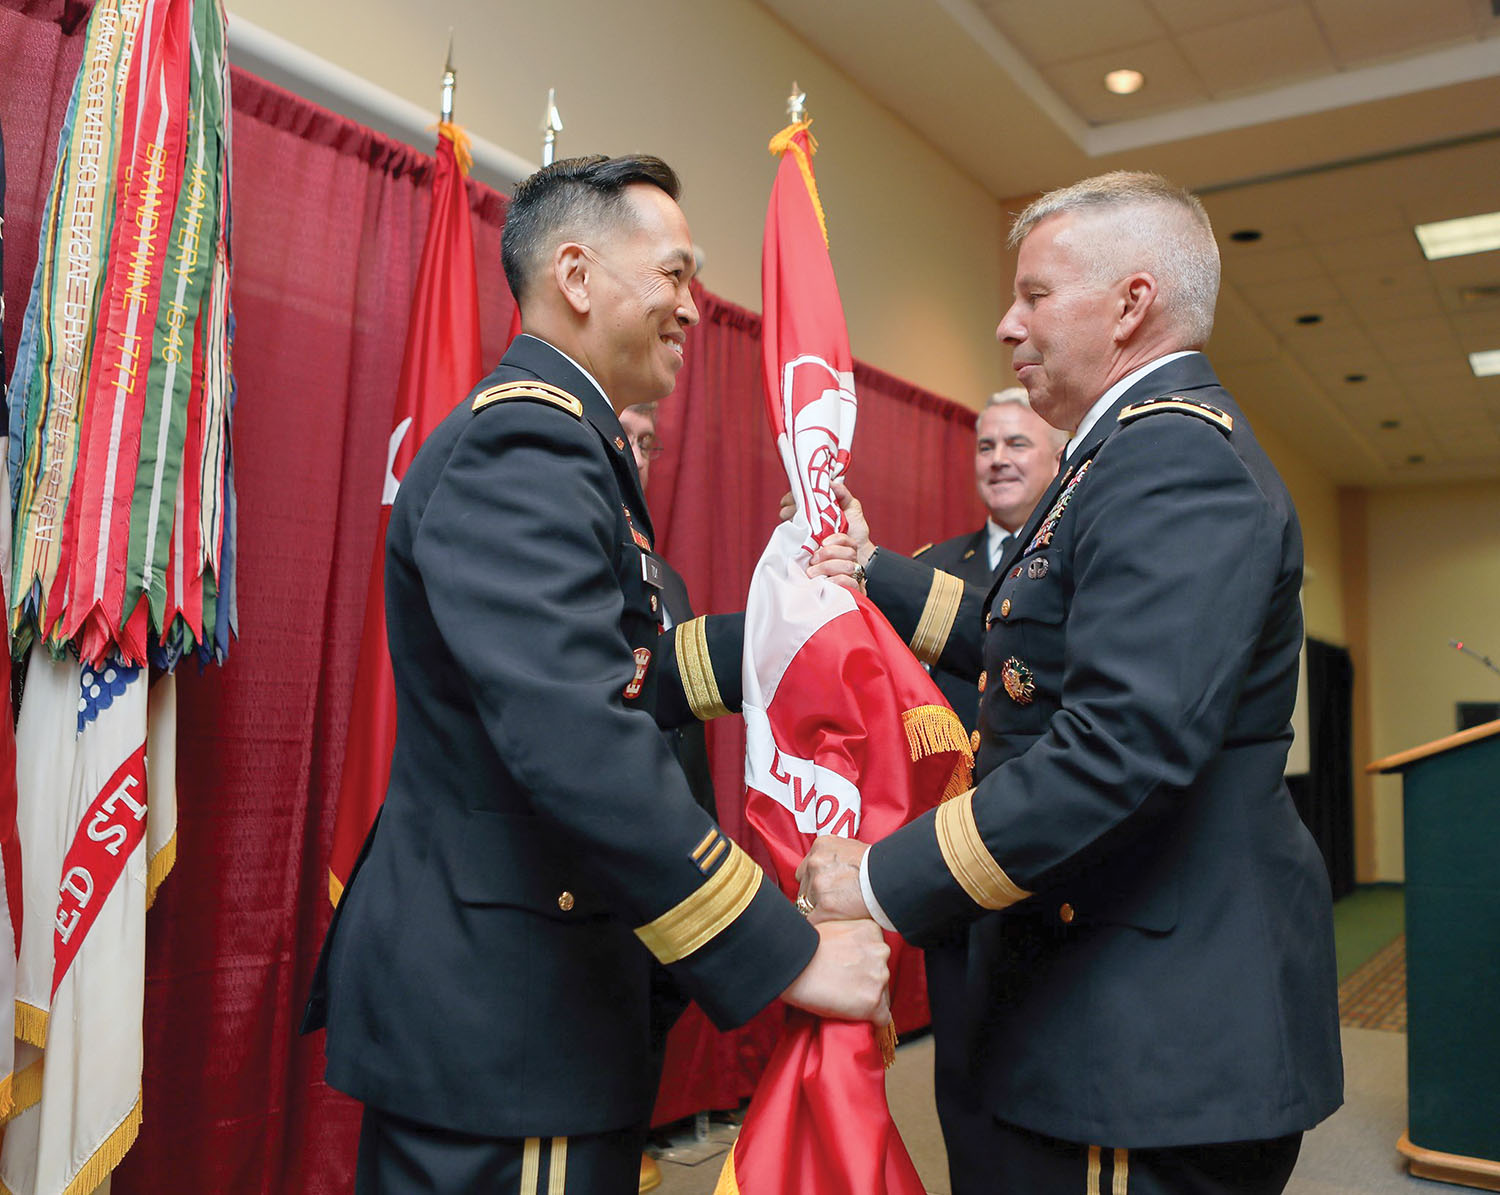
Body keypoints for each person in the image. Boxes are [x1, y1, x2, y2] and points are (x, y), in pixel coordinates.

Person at [303, 155, 890, 1195]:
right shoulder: (526, 444)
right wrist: (786, 950)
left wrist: (784, 630)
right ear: (576, 275)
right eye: (673, 273)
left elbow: (619, 663)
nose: (692, 307)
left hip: (530, 998)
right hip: (512, 1013)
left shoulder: (556, 436)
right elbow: (578, 737)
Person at [798, 171, 1343, 1194]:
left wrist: (878, 883)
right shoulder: (1121, 461)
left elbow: (1116, 748)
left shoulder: (1173, 463)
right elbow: (1029, 658)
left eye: (1035, 294)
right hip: (1098, 998)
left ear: (1131, 305)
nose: (1008, 323)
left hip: (1144, 1027)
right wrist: (871, 569)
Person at [915, 387, 1065, 732]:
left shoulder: (1078, 560)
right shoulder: (932, 565)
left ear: (1059, 461)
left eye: (1017, 444)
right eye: (986, 447)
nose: (998, 459)